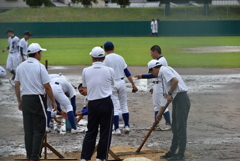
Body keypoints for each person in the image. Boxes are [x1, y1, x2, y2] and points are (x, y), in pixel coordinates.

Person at [14, 43, 57, 161]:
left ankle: (30, 155)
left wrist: (19, 101)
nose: (41, 54)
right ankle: (34, 156)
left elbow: (16, 85)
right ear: (37, 53)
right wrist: (53, 101)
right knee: (40, 129)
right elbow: (47, 86)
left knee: (29, 129)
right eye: (40, 52)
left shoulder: (20, 66)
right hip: (37, 98)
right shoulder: (39, 66)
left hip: (25, 99)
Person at [147, 60, 190, 160]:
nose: (152, 75)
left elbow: (175, 81)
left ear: (153, 68)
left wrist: (170, 93)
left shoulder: (165, 70)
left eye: (151, 72)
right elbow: (165, 97)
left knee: (181, 128)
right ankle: (172, 152)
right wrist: (159, 114)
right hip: (178, 100)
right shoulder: (163, 75)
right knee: (175, 127)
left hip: (181, 99)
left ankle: (180, 154)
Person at [80, 47, 115, 161]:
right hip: (106, 102)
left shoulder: (85, 70)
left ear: (92, 58)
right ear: (103, 58)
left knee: (91, 131)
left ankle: (85, 158)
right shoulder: (110, 70)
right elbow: (113, 84)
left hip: (93, 103)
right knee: (106, 132)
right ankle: (101, 158)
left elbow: (85, 86)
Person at [103, 41, 138, 135]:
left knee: (114, 106)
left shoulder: (105, 59)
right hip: (122, 82)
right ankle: (126, 126)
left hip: (112, 83)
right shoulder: (120, 57)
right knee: (124, 105)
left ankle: (117, 129)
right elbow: (127, 72)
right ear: (113, 48)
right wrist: (133, 84)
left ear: (105, 50)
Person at [135, 45, 171, 131]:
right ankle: (156, 124)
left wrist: (142, 76)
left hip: (160, 85)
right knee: (157, 105)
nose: (151, 54)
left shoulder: (161, 61)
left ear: (155, 52)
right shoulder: (160, 60)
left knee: (162, 105)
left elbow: (155, 74)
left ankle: (169, 124)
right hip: (157, 84)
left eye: (151, 52)